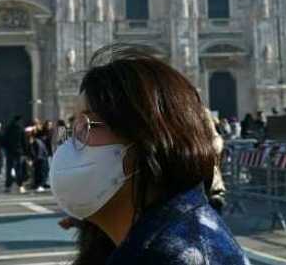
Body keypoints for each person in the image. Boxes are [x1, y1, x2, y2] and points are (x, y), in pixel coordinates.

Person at [51, 45, 247, 265]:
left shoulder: (174, 256)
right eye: (71, 125)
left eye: (87, 124)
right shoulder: (131, 243)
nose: (69, 142)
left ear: (148, 137)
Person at [2, 115, 26, 193]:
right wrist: (25, 151)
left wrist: (6, 148)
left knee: (9, 169)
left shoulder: (8, 128)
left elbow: (4, 139)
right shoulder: (21, 129)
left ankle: (8, 186)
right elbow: (24, 141)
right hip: (18, 151)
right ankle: (20, 186)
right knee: (18, 169)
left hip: (9, 151)